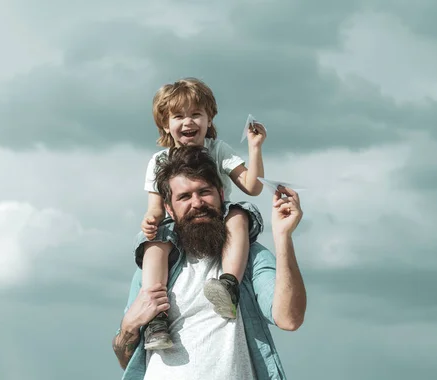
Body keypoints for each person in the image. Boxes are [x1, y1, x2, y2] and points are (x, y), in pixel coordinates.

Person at [113, 146, 307, 380]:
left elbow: (289, 319)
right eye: (184, 197)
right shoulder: (156, 265)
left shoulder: (250, 258)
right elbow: (126, 359)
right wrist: (129, 326)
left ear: (221, 195)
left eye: (204, 192)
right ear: (169, 209)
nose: (197, 203)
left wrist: (283, 236)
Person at [138, 78, 267, 350]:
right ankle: (156, 318)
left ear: (209, 119)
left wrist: (255, 148)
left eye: (196, 114)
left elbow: (252, 187)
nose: (188, 122)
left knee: (239, 213)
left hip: (217, 219)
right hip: (180, 224)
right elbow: (155, 208)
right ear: (165, 124)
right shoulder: (159, 161)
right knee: (153, 241)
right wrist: (150, 222)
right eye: (179, 116)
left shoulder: (218, 150)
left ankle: (228, 285)